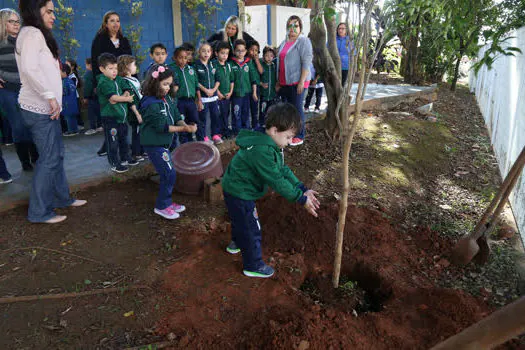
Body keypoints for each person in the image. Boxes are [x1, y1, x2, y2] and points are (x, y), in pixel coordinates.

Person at [221, 102, 320, 278]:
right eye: (288, 137)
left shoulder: (269, 142)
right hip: (240, 191)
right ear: (274, 130)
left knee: (240, 220)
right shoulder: (262, 150)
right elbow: (276, 180)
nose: (290, 143)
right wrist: (301, 199)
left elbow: (282, 170)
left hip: (236, 187)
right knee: (251, 227)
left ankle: (236, 242)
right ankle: (253, 265)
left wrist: (302, 188)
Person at [16, 0, 86, 224]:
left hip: (48, 108)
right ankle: (39, 212)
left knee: (56, 156)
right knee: (48, 159)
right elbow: (29, 69)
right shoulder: (31, 34)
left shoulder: (37, 34)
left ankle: (61, 198)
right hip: (39, 109)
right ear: (35, 10)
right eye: (49, 11)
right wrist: (48, 96)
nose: (53, 16)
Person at [139, 64, 197, 219]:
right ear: (154, 83)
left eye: (169, 84)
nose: (167, 87)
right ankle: (162, 206)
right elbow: (161, 127)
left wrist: (185, 125)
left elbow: (176, 115)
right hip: (154, 144)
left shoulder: (168, 98)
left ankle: (167, 201)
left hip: (164, 143)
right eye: (165, 84)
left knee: (168, 172)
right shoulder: (150, 103)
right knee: (169, 173)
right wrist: (184, 130)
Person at [0, 8, 39, 171]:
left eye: (18, 21)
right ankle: (24, 161)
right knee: (18, 125)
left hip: (27, 88)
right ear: (3, 23)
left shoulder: (24, 41)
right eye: (12, 21)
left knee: (31, 122)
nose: (16, 24)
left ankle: (36, 156)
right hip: (8, 89)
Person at [90, 10, 132, 157]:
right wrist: (98, 82)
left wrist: (132, 79)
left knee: (122, 115)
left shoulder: (124, 40)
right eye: (112, 20)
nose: (116, 23)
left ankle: (119, 145)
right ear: (106, 24)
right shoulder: (100, 40)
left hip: (122, 81)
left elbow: (129, 60)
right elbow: (96, 63)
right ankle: (109, 145)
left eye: (118, 20)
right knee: (111, 115)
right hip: (108, 82)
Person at [276, 15, 312, 146]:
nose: (292, 28)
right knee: (288, 109)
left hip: (298, 82)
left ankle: (300, 134)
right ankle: (290, 132)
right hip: (285, 82)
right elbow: (279, 60)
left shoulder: (303, 41)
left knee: (297, 109)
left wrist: (302, 81)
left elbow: (306, 62)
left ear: (300, 28)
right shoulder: (285, 41)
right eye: (290, 25)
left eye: (295, 25)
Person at [96, 53, 136, 173]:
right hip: (110, 117)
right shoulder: (103, 82)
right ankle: (114, 162)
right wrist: (126, 99)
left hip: (121, 117)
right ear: (102, 69)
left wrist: (125, 94)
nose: (114, 71)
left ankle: (125, 158)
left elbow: (127, 89)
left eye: (116, 68)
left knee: (124, 139)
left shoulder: (118, 79)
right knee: (112, 141)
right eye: (111, 69)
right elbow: (113, 98)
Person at [169, 46, 200, 143]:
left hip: (190, 101)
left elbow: (196, 85)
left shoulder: (191, 69)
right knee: (182, 123)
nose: (183, 60)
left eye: (185, 58)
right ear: (175, 58)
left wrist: (198, 100)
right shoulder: (171, 69)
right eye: (180, 57)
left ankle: (192, 142)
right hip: (179, 101)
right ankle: (184, 144)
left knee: (193, 121)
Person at [117, 54, 144, 162]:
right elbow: (131, 99)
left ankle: (142, 150)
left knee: (142, 130)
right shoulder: (124, 81)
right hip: (135, 112)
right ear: (127, 66)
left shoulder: (134, 79)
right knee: (136, 131)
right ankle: (136, 152)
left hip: (141, 109)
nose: (135, 67)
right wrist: (137, 113)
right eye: (134, 65)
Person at [194, 42, 222, 144]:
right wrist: (206, 90)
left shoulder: (213, 64)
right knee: (203, 119)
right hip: (203, 97)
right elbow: (196, 81)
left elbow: (218, 79)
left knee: (215, 116)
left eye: (208, 51)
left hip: (213, 97)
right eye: (203, 51)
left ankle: (215, 135)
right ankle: (204, 137)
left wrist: (214, 90)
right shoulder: (196, 65)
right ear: (199, 52)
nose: (206, 53)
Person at [230, 39, 258, 135]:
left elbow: (253, 79)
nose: (240, 53)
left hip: (247, 93)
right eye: (238, 50)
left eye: (242, 50)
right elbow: (230, 80)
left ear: (245, 51)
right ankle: (237, 131)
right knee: (236, 112)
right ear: (234, 51)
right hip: (236, 94)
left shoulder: (249, 63)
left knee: (246, 112)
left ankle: (246, 130)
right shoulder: (231, 64)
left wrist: (254, 92)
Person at [212, 41, 234, 138]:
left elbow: (232, 80)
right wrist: (217, 93)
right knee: (218, 115)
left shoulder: (228, 65)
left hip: (227, 95)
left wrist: (231, 92)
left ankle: (225, 131)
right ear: (216, 53)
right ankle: (218, 133)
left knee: (226, 113)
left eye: (226, 53)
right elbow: (212, 80)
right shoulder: (213, 65)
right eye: (222, 53)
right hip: (218, 95)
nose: (225, 56)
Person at [83, 58, 102, 135]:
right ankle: (100, 126)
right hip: (98, 95)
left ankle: (92, 128)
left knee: (91, 113)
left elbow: (87, 86)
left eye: (86, 64)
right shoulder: (98, 73)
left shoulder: (88, 74)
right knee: (98, 111)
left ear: (89, 65)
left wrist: (85, 97)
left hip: (91, 96)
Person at [259, 46, 277, 126]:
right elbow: (257, 77)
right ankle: (262, 123)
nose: (269, 58)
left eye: (271, 56)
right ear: (263, 56)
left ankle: (270, 123)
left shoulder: (274, 66)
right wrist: (261, 83)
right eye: (267, 55)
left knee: (272, 110)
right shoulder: (262, 65)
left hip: (272, 93)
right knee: (263, 109)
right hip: (264, 94)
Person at [61, 63, 80, 136]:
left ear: (64, 72)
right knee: (73, 118)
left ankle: (70, 131)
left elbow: (64, 92)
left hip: (67, 103)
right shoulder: (70, 80)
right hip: (73, 103)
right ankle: (75, 130)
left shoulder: (64, 81)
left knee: (68, 118)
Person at [247, 41, 263, 129]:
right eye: (252, 50)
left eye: (256, 50)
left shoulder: (258, 61)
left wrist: (257, 60)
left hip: (256, 88)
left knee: (254, 107)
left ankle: (255, 124)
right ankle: (247, 125)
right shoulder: (246, 61)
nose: (254, 52)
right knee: (246, 108)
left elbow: (261, 71)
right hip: (247, 87)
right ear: (248, 50)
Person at [65, 58, 83, 129]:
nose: (65, 65)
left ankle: (80, 125)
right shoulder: (67, 75)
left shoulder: (73, 76)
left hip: (74, 97)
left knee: (76, 111)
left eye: (67, 64)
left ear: (72, 67)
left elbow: (72, 87)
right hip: (70, 97)